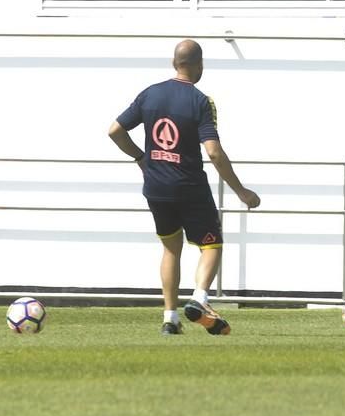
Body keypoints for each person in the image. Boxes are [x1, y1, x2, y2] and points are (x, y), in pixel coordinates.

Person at [108, 39, 260, 335]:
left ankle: (170, 319)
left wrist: (141, 157)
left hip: (156, 188)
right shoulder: (200, 101)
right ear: (198, 65)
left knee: (170, 249)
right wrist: (241, 191)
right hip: (189, 186)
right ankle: (200, 299)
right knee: (211, 244)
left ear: (174, 63)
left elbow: (114, 130)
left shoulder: (149, 94)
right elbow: (214, 152)